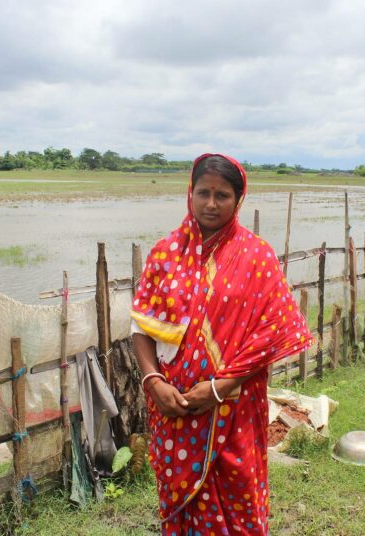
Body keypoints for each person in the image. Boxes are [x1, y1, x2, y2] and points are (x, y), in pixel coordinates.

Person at [131, 153, 313, 535]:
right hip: (173, 409)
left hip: (235, 407)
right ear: (190, 193)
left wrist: (219, 387)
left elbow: (274, 330)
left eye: (223, 195)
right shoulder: (164, 255)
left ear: (238, 199)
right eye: (203, 192)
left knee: (237, 492)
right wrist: (153, 382)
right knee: (179, 500)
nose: (211, 204)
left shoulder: (256, 256)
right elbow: (142, 328)